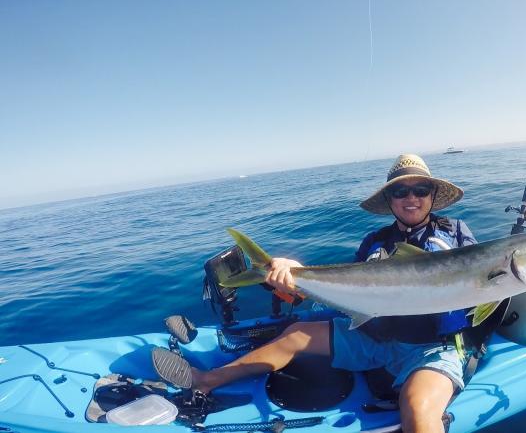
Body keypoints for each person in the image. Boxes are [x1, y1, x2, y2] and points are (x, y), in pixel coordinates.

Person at [152, 154, 477, 433]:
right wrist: (291, 276)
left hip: (432, 348)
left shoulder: (456, 233)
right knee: (295, 334)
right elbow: (344, 291)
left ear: (433, 194)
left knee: (419, 410)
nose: (411, 198)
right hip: (372, 338)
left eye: (420, 189)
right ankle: (207, 379)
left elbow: (484, 281)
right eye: (400, 191)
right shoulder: (374, 241)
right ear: (390, 199)